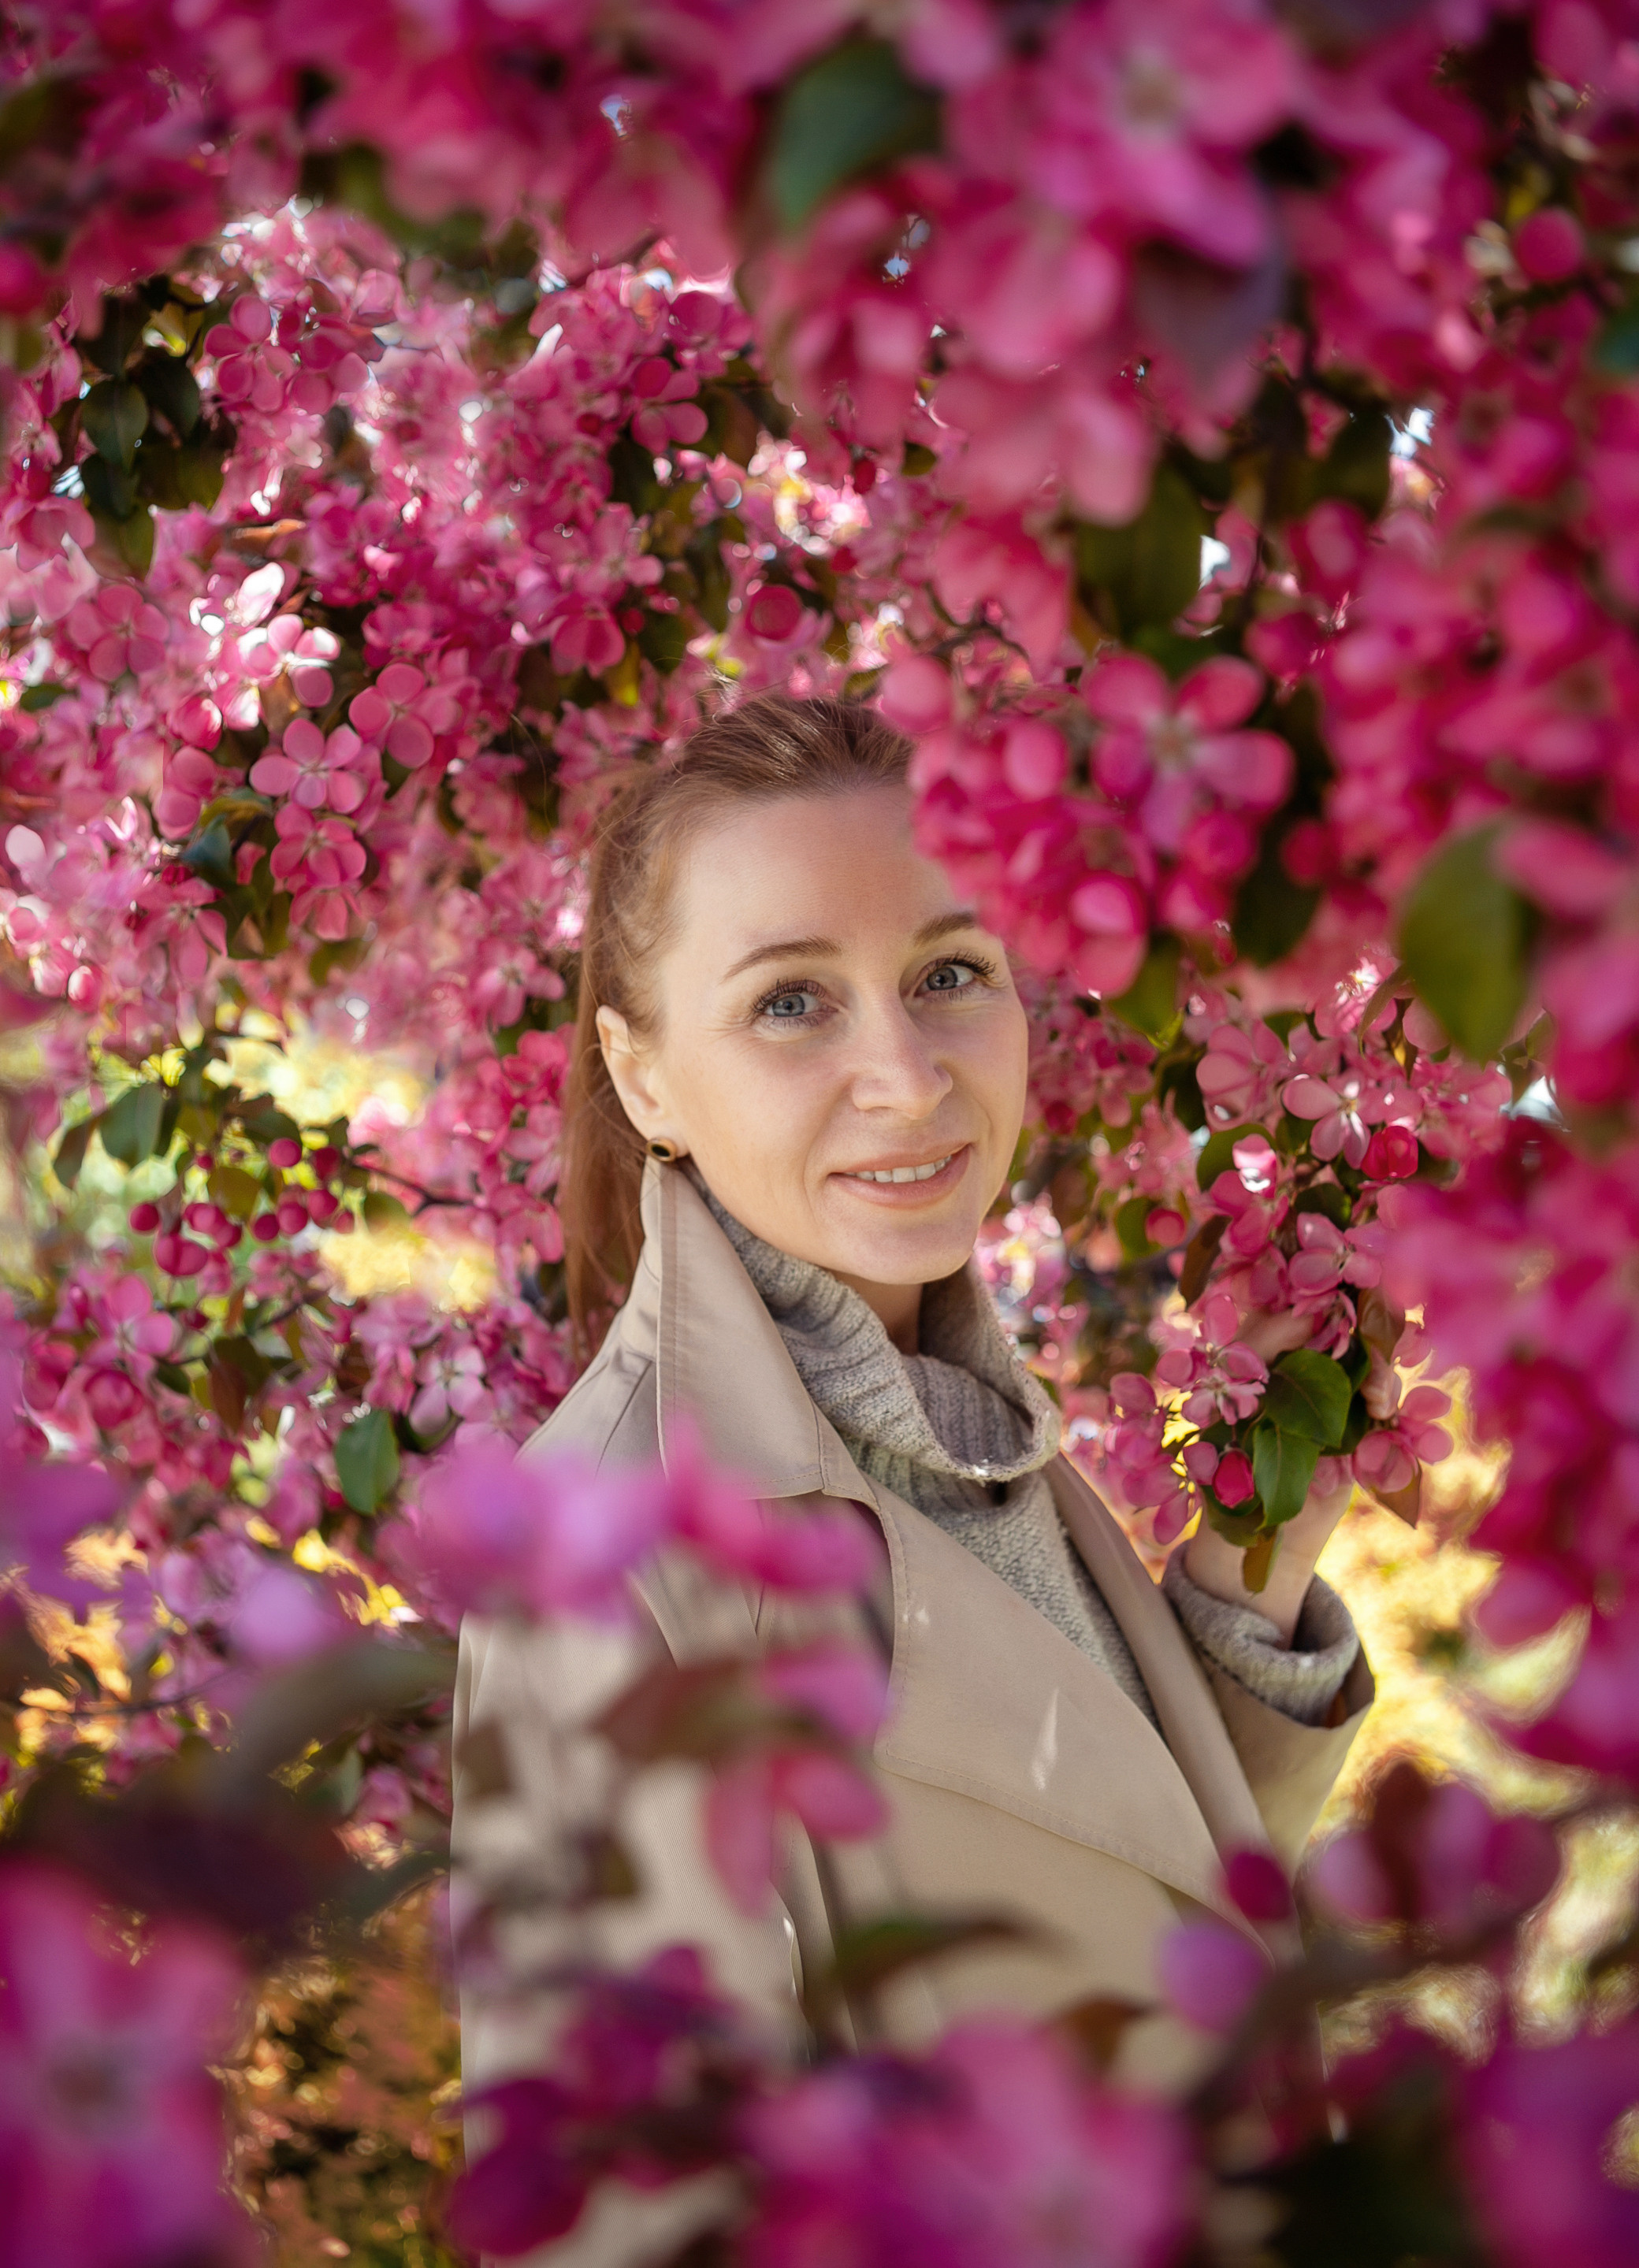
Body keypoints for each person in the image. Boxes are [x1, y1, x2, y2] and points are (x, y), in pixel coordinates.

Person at [452, 693, 1373, 2262]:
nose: (904, 1075)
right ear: (642, 1072)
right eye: (789, 1005)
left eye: (946, 975)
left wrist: (1248, 1573)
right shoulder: (609, 1551)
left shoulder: (960, 1414)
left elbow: (1107, 1882)